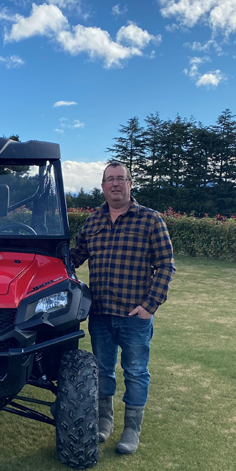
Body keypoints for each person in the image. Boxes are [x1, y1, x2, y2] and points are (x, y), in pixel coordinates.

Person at [70, 162, 175, 454]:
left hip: (134, 316)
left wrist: (149, 306)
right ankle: (105, 420)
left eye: (121, 179)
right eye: (110, 180)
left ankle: (131, 429)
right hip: (101, 314)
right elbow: (74, 257)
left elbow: (166, 265)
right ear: (103, 187)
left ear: (130, 184)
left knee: (136, 371)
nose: (115, 184)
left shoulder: (151, 220)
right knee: (102, 370)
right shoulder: (93, 222)